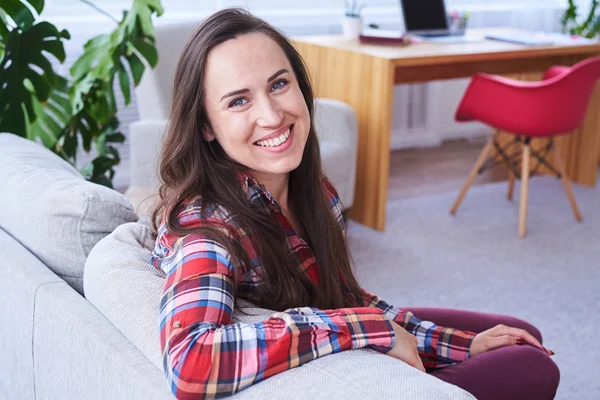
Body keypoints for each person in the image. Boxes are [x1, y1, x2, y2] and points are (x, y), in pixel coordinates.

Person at [150, 8, 559, 400]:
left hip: (340, 340)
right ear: (205, 125)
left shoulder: (315, 190)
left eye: (278, 84)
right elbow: (190, 364)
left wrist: (458, 346)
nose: (273, 115)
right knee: (533, 367)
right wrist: (369, 328)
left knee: (519, 335)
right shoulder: (207, 229)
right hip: (340, 375)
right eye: (238, 101)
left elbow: (344, 296)